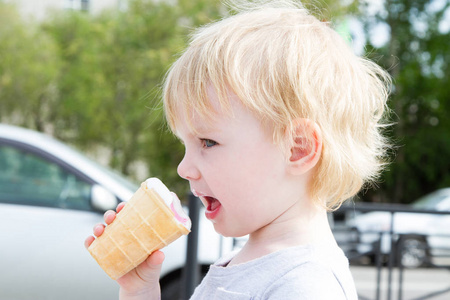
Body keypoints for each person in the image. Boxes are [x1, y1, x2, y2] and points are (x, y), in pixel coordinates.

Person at [85, 0, 391, 299]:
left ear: (297, 148)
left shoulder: (305, 286)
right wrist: (140, 290)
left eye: (207, 142)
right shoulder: (245, 261)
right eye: (185, 144)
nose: (183, 168)